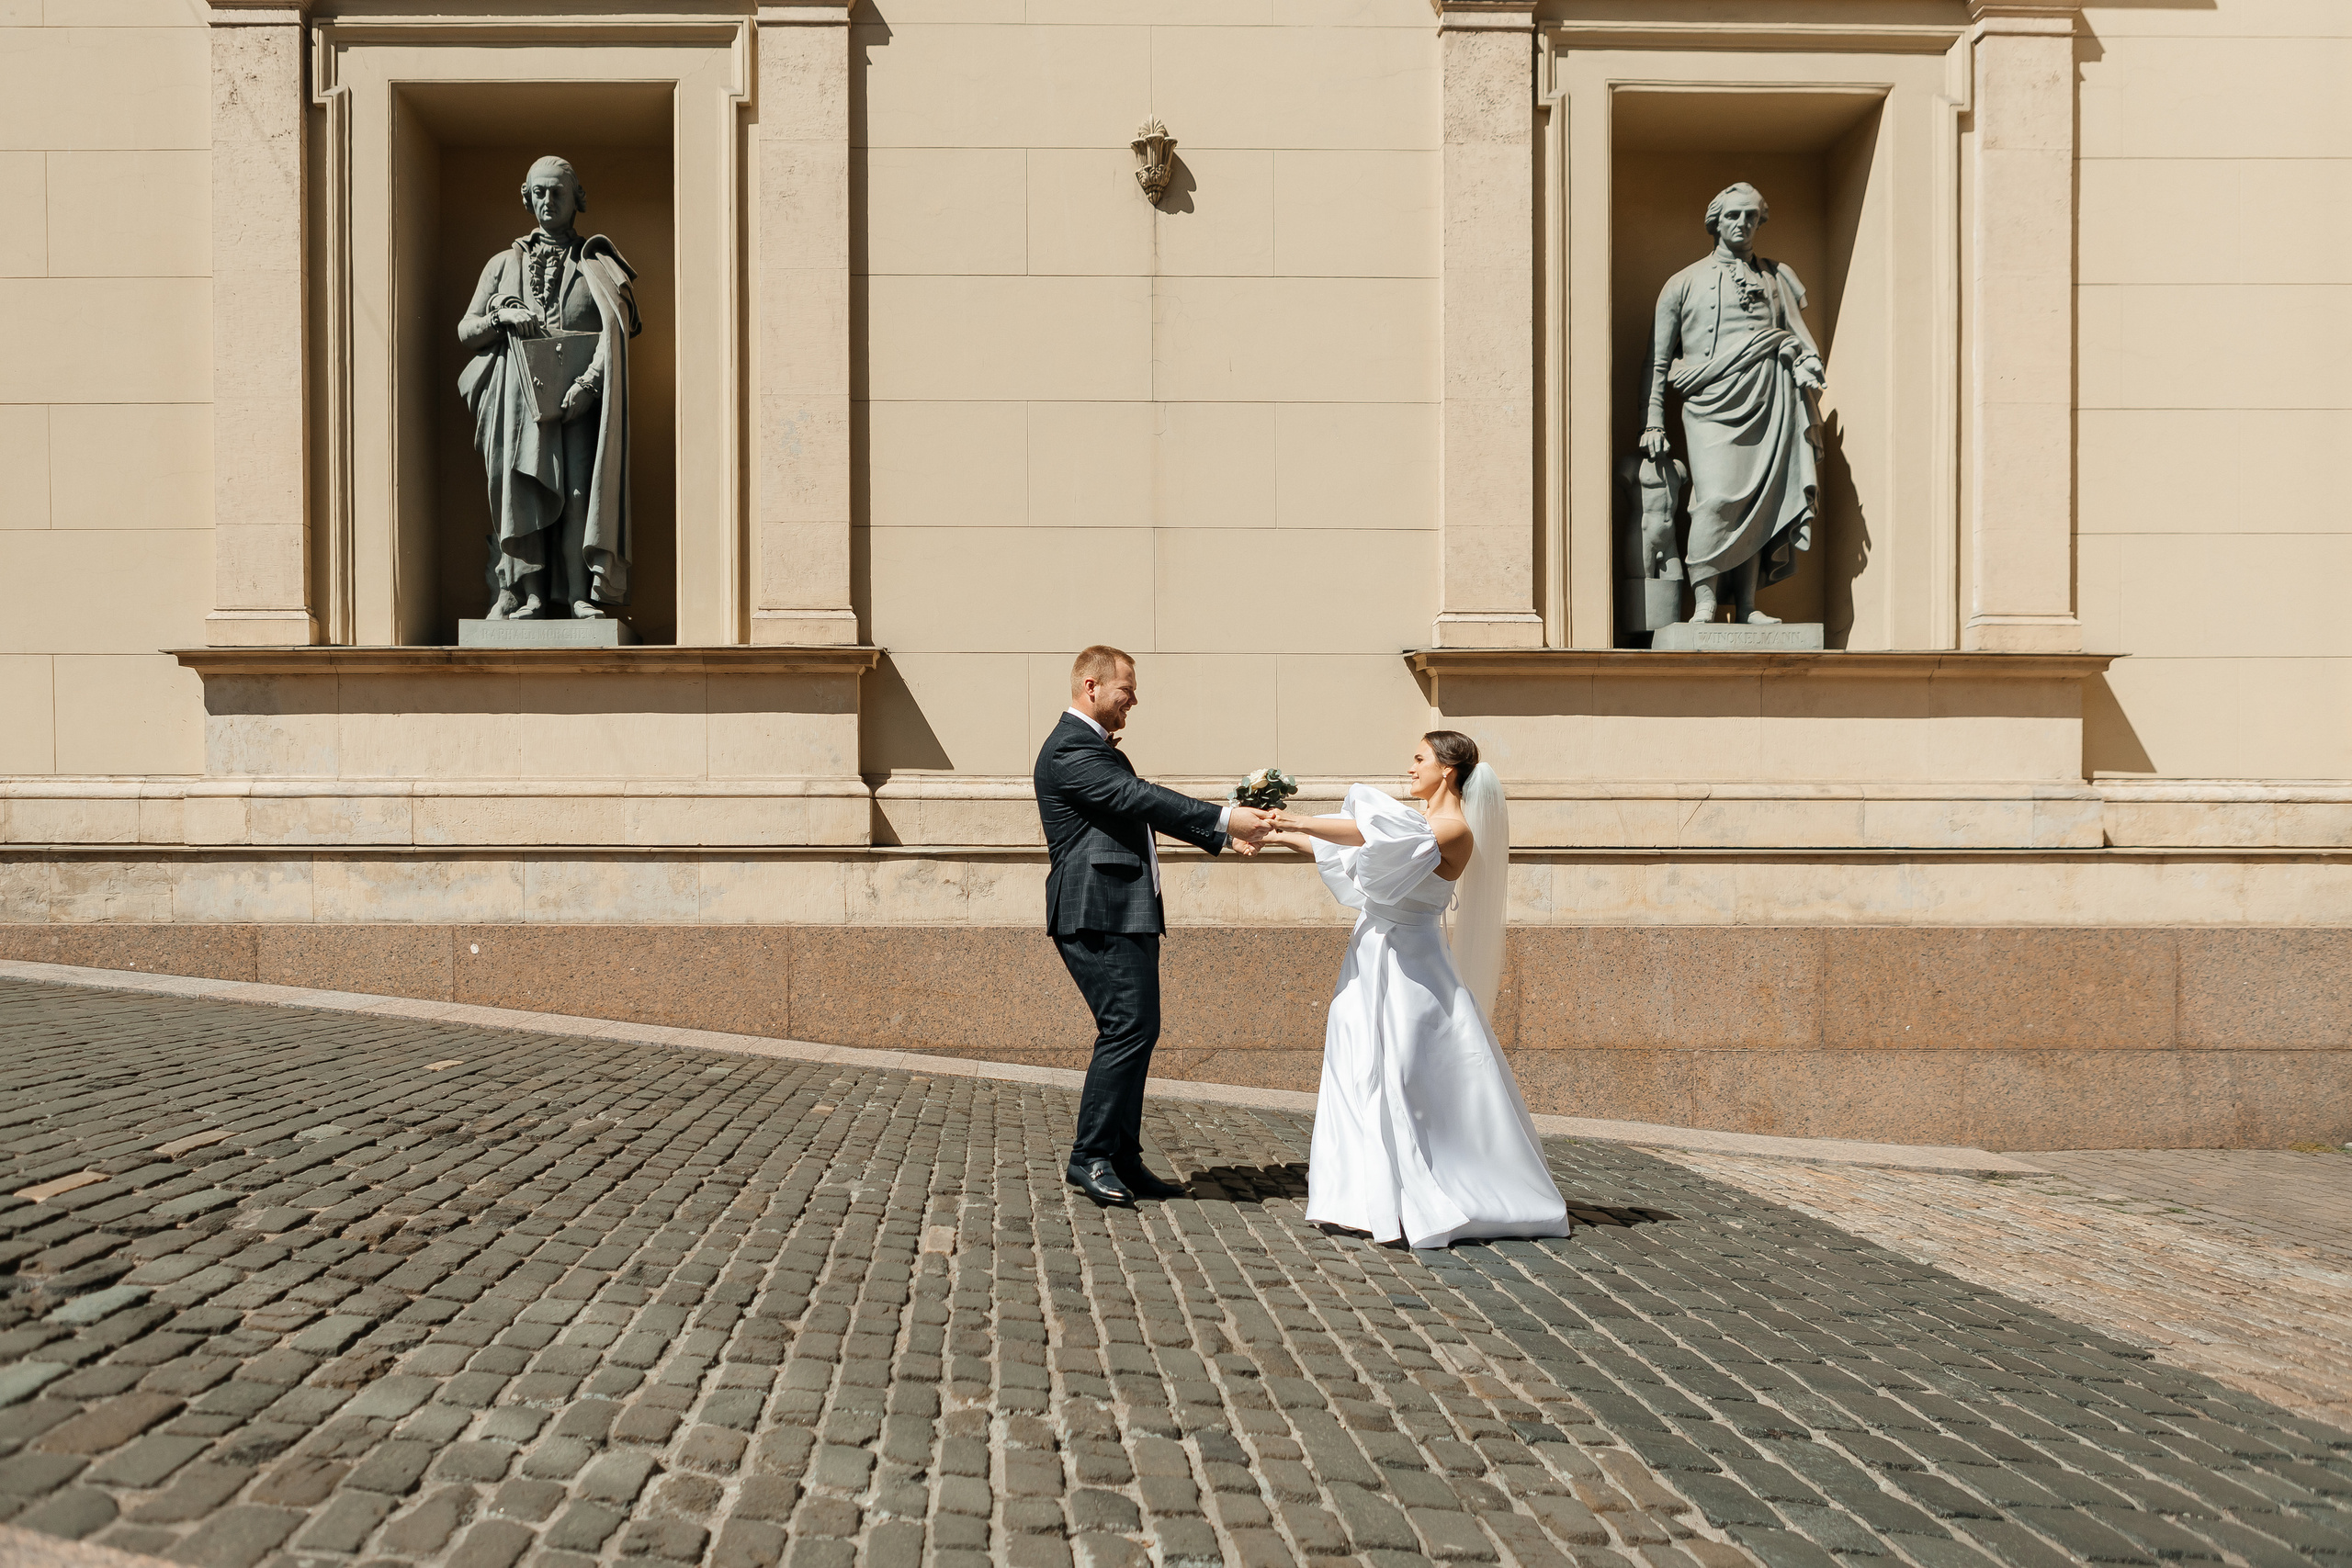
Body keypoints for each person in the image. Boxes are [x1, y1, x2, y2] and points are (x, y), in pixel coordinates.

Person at [1263, 732, 1568, 1249]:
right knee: (1354, 1062)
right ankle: (1355, 1196)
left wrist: (1290, 818)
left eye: (1419, 759)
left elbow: (1362, 834)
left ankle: (1436, 1189)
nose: (1410, 768)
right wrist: (1273, 836)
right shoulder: (1413, 825)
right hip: (1370, 953)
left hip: (1413, 970)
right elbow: (1343, 849)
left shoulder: (1451, 830)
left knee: (1404, 1074)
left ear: (1447, 770)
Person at [1034, 647, 1273, 1207]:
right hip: (1097, 910)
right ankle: (1090, 1157)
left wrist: (1219, 838)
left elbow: (1131, 811)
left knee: (1137, 1030)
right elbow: (1134, 797)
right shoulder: (1071, 746)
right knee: (1126, 1029)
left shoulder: (1092, 747)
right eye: (1126, 690)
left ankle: (1121, 1155)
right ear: (1091, 686)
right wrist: (1221, 816)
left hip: (1121, 909)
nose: (1134, 701)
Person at [458, 155, 641, 621]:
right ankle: (531, 594)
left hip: (576, 399)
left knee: (581, 493)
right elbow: (467, 329)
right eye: (538, 192)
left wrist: (589, 384)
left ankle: (578, 594)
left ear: (576, 198)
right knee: (521, 490)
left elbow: (613, 334)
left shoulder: (597, 264)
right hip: (517, 399)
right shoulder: (501, 264)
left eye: (557, 192)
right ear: (527, 196)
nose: (547, 201)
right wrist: (502, 316)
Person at [1639, 181, 1824, 627]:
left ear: (1760, 221)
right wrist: (1654, 420)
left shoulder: (1775, 278)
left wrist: (1805, 361)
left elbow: (1797, 339)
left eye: (1751, 217)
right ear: (1715, 221)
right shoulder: (1682, 283)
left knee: (1760, 501)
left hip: (1768, 395)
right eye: (1732, 216)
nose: (1742, 224)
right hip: (1709, 403)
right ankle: (1704, 603)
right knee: (1716, 499)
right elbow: (1659, 361)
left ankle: (1746, 606)